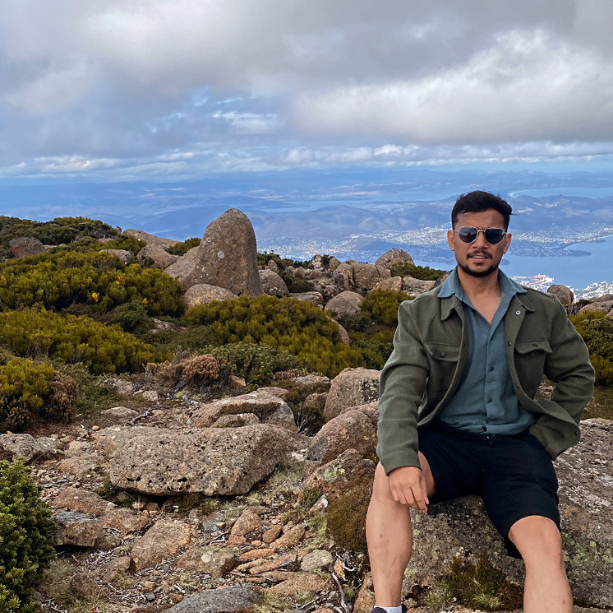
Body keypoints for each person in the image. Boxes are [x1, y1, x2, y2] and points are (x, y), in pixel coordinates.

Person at [366, 191, 595, 613]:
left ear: (506, 241)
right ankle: (387, 608)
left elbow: (578, 374)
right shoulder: (419, 314)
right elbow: (400, 387)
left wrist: (547, 436)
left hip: (516, 448)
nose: (480, 242)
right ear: (451, 239)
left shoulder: (541, 310)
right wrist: (400, 458)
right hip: (447, 443)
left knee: (545, 544)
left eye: (492, 233)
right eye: (469, 233)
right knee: (386, 476)